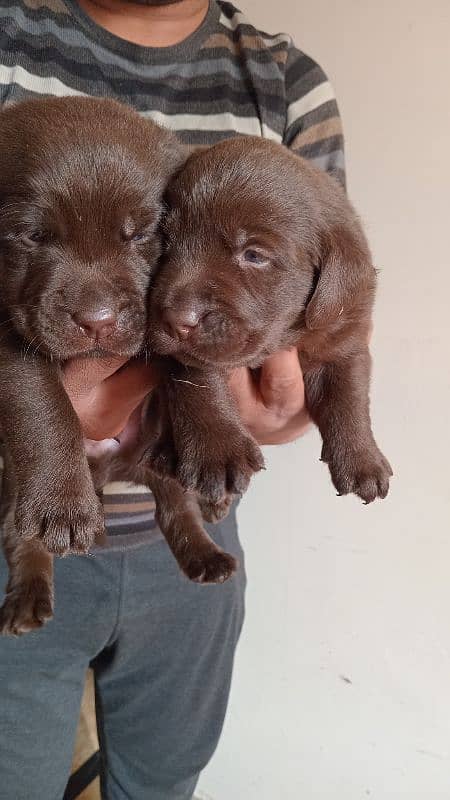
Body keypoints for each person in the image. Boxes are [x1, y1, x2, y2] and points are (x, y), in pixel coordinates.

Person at [0, 1, 344, 798]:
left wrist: (286, 404)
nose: (93, 308)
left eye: (140, 236)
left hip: (186, 537)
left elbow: (307, 312)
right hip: (16, 511)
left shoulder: (287, 85)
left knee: (162, 779)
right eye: (31, 234)